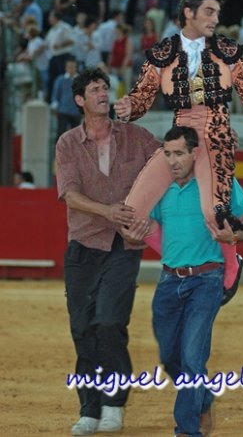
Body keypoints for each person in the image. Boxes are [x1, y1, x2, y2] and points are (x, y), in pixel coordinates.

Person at [115, 0, 243, 302]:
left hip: (215, 137)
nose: (216, 18)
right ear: (188, 13)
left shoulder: (228, 54)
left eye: (217, 12)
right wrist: (127, 108)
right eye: (209, 11)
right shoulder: (163, 53)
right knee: (131, 215)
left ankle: (230, 265)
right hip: (179, 140)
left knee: (213, 213)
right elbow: (141, 98)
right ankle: (180, 260)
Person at [122, 125, 243, 437]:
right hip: (169, 282)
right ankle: (203, 398)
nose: (171, 161)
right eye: (167, 154)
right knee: (171, 357)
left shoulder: (218, 185)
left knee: (193, 358)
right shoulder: (159, 189)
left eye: (178, 153)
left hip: (206, 280)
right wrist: (133, 233)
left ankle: (187, 430)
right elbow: (140, 228)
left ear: (194, 153)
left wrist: (233, 235)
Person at [55, 66, 160, 436]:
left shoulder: (137, 137)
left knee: (109, 322)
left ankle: (113, 403)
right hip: (83, 246)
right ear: (80, 100)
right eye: (94, 89)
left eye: (105, 87)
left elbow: (168, 170)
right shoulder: (68, 143)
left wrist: (152, 215)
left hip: (123, 245)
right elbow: (69, 193)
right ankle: (90, 408)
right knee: (82, 329)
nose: (103, 93)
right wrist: (107, 210)